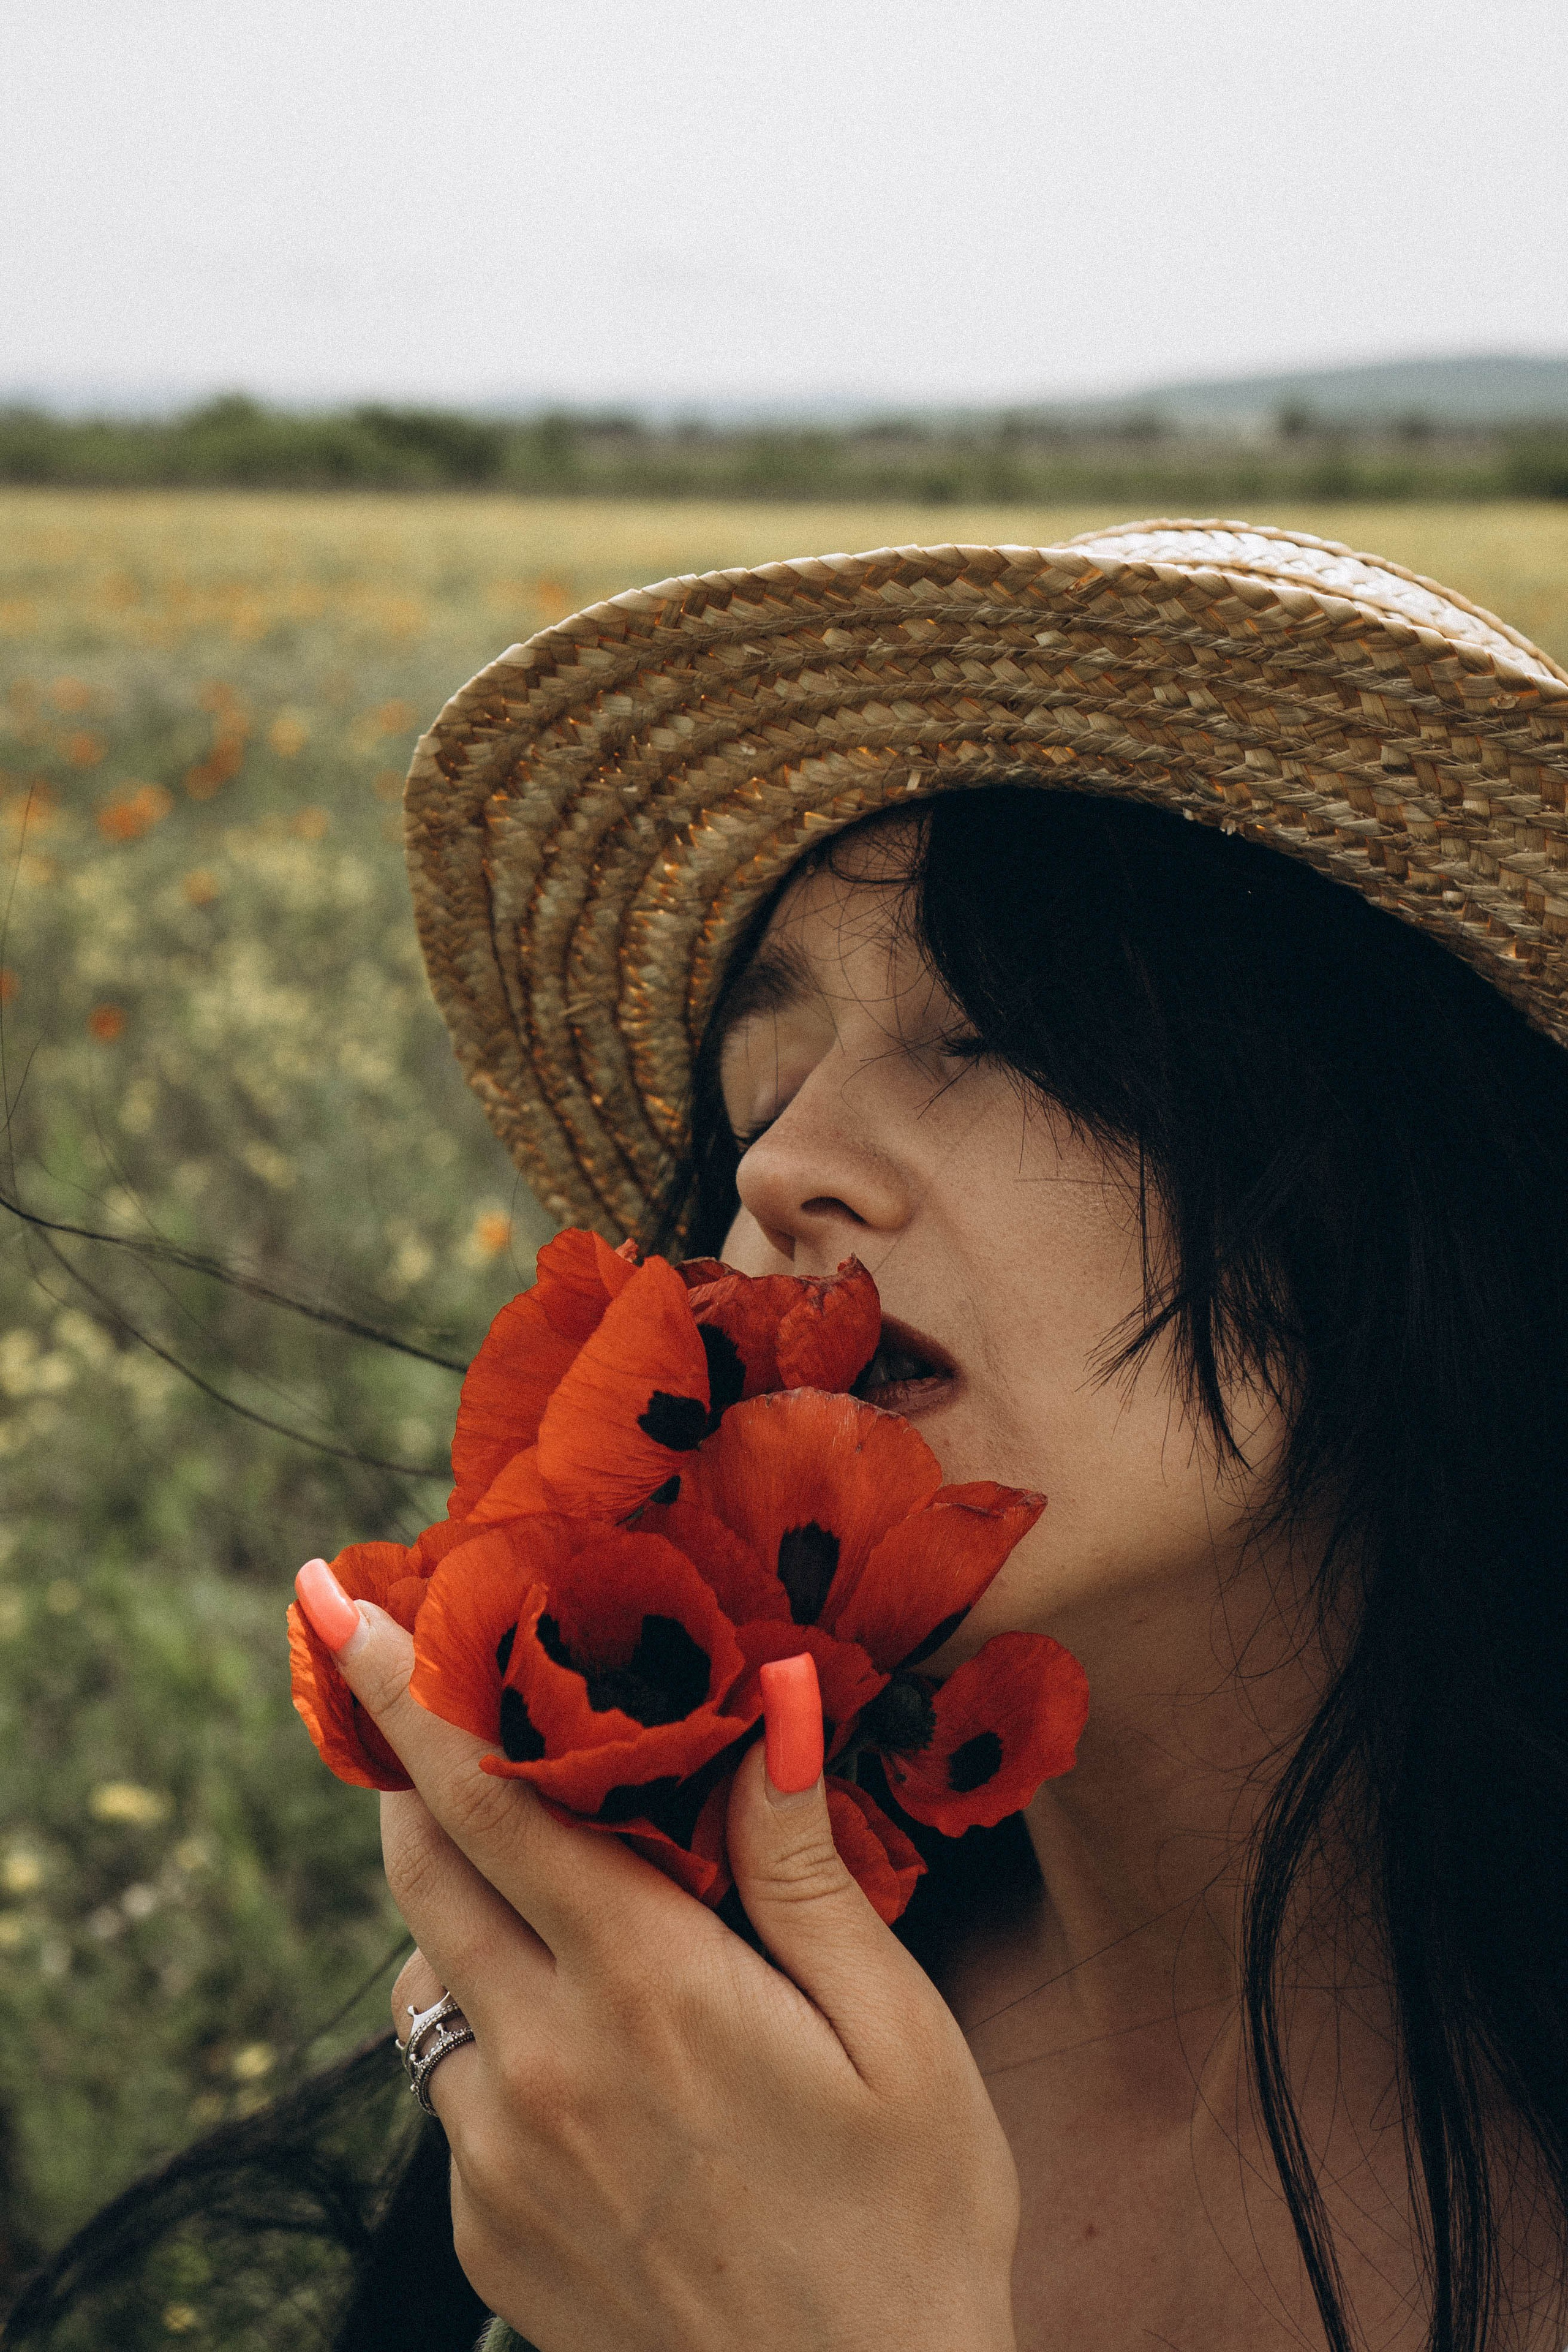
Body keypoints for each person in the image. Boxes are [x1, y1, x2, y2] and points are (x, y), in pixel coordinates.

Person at [7, 522, 1568, 2352]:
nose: (780, 1163)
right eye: (765, 1076)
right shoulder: (669, 2047)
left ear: (1404, 1185)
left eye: (986, 1035)